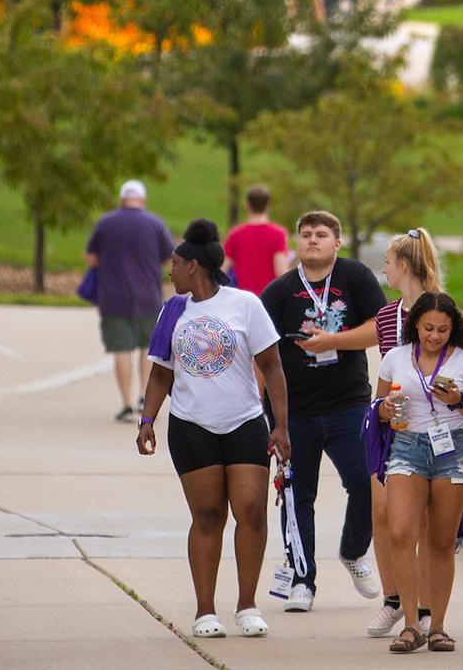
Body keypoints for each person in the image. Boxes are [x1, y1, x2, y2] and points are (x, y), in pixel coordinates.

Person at [136, 219, 291, 638]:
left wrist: (280, 426)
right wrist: (147, 420)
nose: (170, 272)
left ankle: (247, 605)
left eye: (174, 264)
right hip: (191, 426)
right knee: (207, 516)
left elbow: (273, 367)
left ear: (194, 267)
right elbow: (160, 374)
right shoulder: (173, 312)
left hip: (243, 422)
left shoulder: (245, 305)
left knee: (252, 513)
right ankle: (205, 610)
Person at [296, 229, 447, 637]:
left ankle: (428, 608)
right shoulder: (387, 315)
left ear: (404, 265)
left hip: (435, 428)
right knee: (383, 517)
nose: (383, 268)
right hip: (390, 426)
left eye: (388, 261)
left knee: (427, 525)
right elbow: (384, 367)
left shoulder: (440, 310)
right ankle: (394, 599)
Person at [260, 211, 388, 612]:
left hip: (348, 404)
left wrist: (334, 339)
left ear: (338, 242)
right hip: (295, 410)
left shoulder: (356, 279)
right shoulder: (279, 291)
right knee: (298, 496)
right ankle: (302, 578)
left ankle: (353, 552)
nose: (313, 240)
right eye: (306, 234)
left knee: (368, 485)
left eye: (321, 234)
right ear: (296, 243)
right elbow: (260, 353)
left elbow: (381, 327)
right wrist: (266, 413)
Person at [373, 293, 463, 654]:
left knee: (440, 542)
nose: (434, 336)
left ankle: (436, 626)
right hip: (407, 445)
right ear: (415, 325)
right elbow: (376, 409)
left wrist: (458, 400)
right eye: (428, 328)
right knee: (399, 532)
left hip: (453, 451)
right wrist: (385, 409)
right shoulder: (395, 358)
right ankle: (411, 625)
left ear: (454, 329)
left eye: (443, 330)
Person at [88, 180, 176, 423]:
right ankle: (144, 399)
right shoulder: (154, 223)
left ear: (122, 199)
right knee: (147, 350)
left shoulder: (105, 223)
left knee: (121, 350)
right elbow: (171, 258)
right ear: (143, 200)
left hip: (113, 298)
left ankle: (126, 403)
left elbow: (90, 256)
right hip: (148, 297)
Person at [223, 185, 291, 295]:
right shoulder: (278, 233)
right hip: (269, 297)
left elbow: (223, 270)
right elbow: (281, 271)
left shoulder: (235, 234)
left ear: (247, 205)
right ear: (268, 205)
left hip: (243, 298)